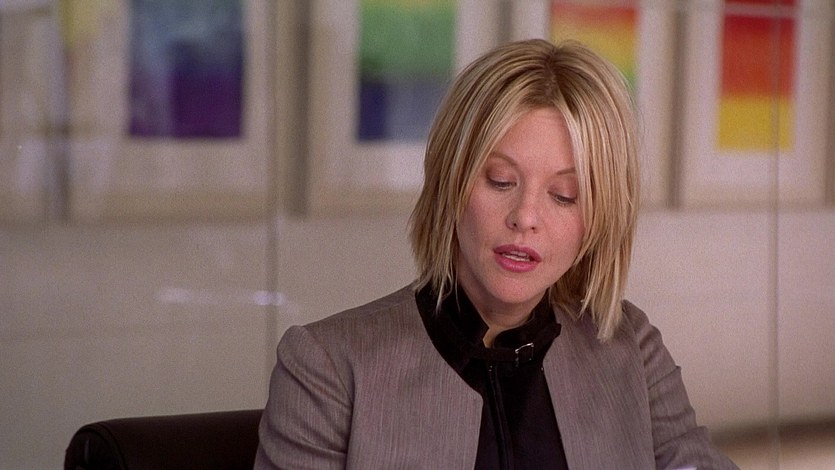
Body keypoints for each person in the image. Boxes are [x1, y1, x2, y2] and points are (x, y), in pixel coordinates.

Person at [254, 39, 738, 469]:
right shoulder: (328, 368)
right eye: (501, 181)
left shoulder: (631, 349)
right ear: (451, 183)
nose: (525, 217)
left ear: (598, 219)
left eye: (564, 195)